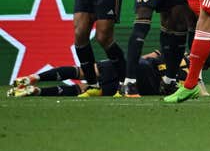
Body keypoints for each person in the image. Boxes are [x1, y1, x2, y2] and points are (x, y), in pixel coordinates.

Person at [7, 51, 190, 98]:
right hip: (145, 85)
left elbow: (150, 56)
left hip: (137, 67)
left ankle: (34, 78)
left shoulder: (175, 51)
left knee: (83, 71)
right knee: (84, 89)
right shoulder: (191, 74)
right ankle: (37, 92)